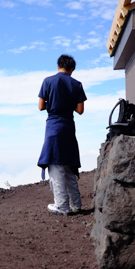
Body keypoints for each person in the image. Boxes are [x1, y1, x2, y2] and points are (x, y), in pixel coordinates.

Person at [37, 54, 87, 215]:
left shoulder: (48, 81)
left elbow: (40, 106)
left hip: (53, 127)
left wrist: (54, 103)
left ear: (58, 66)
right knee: (69, 166)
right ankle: (76, 204)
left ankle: (62, 205)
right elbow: (80, 110)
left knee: (56, 166)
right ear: (72, 69)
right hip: (68, 127)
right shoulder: (77, 84)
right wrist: (67, 104)